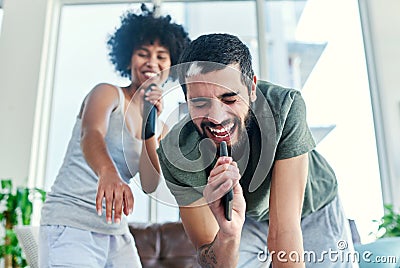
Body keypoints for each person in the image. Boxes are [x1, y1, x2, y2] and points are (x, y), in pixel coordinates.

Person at [157, 33, 357, 267]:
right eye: (200, 103)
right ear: (186, 101)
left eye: (230, 99)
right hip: (248, 218)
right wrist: (228, 234)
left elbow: (283, 233)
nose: (217, 118)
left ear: (251, 88)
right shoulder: (177, 152)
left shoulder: (284, 107)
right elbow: (209, 257)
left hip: (310, 210)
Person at [39, 4, 190, 267]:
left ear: (171, 64)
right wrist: (108, 172)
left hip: (114, 230)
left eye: (161, 56)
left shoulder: (160, 127)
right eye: (142, 53)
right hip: (70, 221)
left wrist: (148, 127)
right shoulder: (107, 93)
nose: (151, 62)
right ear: (128, 59)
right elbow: (91, 133)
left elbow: (149, 183)